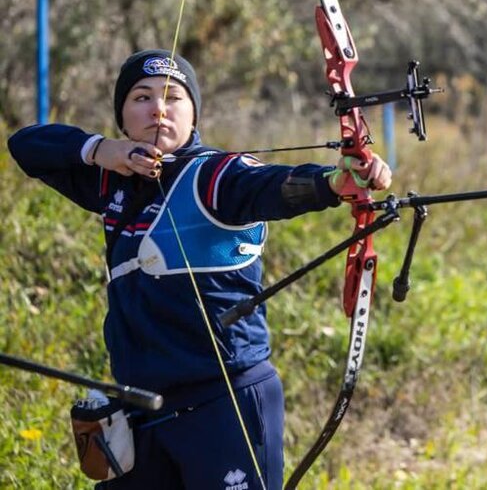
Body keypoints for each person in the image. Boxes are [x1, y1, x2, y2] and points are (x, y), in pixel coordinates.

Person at [7, 49, 392, 489]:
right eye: (141, 97)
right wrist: (101, 150)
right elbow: (27, 144)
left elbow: (270, 187)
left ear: (193, 113)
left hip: (223, 402)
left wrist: (334, 182)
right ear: (123, 116)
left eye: (174, 97)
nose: (158, 108)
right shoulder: (110, 179)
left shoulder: (217, 176)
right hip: (141, 405)